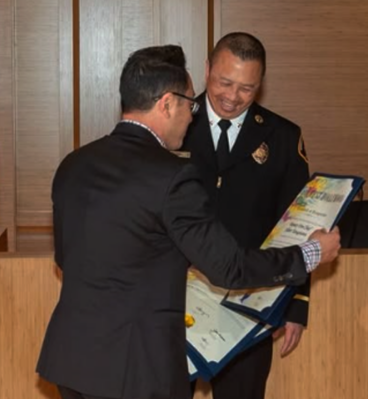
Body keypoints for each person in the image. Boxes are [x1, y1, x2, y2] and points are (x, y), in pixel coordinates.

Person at [37, 45, 341, 399]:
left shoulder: (74, 164)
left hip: (72, 360)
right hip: (135, 370)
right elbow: (229, 267)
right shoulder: (171, 177)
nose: (191, 114)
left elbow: (66, 259)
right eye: (188, 105)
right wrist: (310, 253)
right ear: (167, 103)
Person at [181, 32, 311, 399]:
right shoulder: (175, 126)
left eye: (246, 88)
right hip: (174, 300)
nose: (232, 97)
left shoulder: (283, 137)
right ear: (206, 70)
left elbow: (295, 225)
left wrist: (296, 304)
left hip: (249, 303)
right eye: (224, 82)